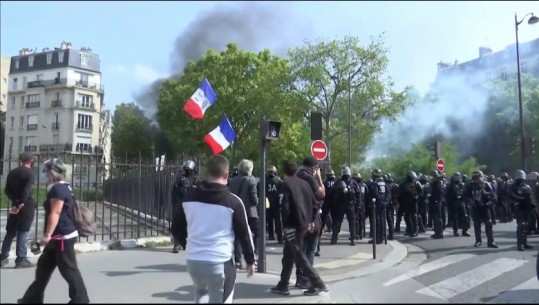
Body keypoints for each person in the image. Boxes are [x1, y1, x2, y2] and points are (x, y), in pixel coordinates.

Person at [176, 155, 255, 303]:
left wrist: (189, 245)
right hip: (219, 261)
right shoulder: (233, 202)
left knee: (201, 294)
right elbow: (245, 234)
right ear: (226, 174)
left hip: (194, 261)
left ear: (208, 173)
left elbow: (176, 227)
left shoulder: (188, 198)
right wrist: (250, 260)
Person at [18, 158, 89, 304]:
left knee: (69, 269)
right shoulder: (63, 187)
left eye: (45, 170)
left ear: (52, 172)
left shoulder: (58, 189)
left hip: (61, 236)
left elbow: (55, 213)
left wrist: (47, 235)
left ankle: (80, 300)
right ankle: (31, 299)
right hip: (58, 236)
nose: (43, 173)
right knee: (43, 269)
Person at [270, 160, 328, 297]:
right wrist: (313, 220)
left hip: (294, 225)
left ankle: (317, 283)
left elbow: (285, 207)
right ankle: (283, 284)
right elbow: (315, 204)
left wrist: (285, 226)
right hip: (309, 224)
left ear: (284, 172)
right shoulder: (305, 183)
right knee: (289, 255)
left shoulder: (285, 185)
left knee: (299, 256)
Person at [1, 152, 36, 268]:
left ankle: (3, 257)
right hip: (26, 205)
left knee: (10, 232)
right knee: (23, 231)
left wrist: (15, 202)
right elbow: (26, 191)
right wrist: (21, 203)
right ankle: (21, 259)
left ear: (21, 161)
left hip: (15, 204)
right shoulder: (30, 173)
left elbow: (6, 190)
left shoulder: (12, 173)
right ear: (30, 161)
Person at [228, 159, 259, 270]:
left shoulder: (233, 180)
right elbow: (254, 199)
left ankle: (237, 260)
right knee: (256, 234)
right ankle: (254, 256)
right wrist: (259, 201)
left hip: (236, 211)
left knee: (237, 236)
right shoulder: (252, 180)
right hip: (250, 212)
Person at [171, 160, 200, 253]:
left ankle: (187, 243)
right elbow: (174, 190)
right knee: (178, 224)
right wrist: (175, 203)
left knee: (190, 225)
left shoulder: (196, 179)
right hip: (180, 203)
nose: (188, 171)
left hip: (191, 204)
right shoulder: (180, 178)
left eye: (189, 169)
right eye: (186, 169)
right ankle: (176, 244)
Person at [465, 170, 498, 248]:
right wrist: (471, 201)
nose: (480, 178)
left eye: (480, 176)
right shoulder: (469, 185)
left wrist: (487, 200)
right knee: (477, 224)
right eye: (479, 176)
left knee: (489, 224)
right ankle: (478, 241)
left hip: (485, 207)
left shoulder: (486, 185)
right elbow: (466, 196)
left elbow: (494, 196)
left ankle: (491, 242)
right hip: (476, 207)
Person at [510, 170, 535, 251]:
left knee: (526, 226)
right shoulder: (513, 187)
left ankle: (524, 242)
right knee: (521, 225)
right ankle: (520, 244)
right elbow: (512, 197)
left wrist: (532, 204)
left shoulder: (527, 187)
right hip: (519, 208)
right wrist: (522, 199)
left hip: (527, 208)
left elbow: (531, 197)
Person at [265, 165, 283, 243]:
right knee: (277, 221)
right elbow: (281, 192)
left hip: (267, 202)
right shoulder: (278, 180)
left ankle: (271, 235)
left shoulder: (265, 181)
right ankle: (280, 238)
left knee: (269, 220)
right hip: (276, 202)